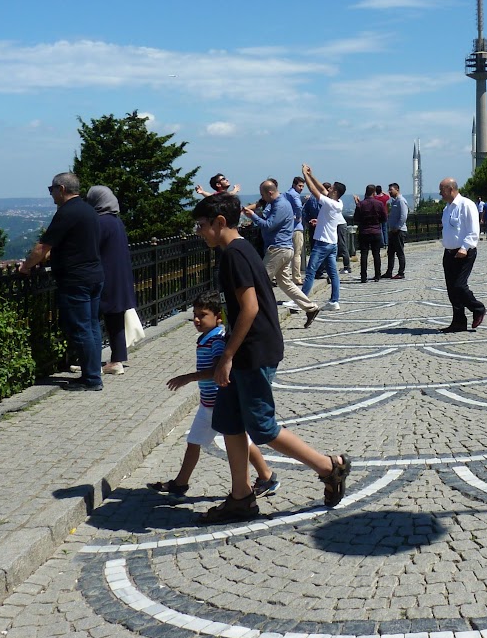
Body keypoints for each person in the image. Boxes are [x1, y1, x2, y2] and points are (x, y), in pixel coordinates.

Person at [190, 194, 350, 523]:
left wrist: (227, 357)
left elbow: (249, 308)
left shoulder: (235, 255)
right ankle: (241, 497)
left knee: (262, 428)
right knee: (230, 423)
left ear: (221, 223)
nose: (198, 231)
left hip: (252, 352)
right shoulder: (238, 250)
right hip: (247, 350)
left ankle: (329, 467)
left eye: (202, 225)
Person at [148, 293, 277, 497]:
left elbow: (218, 369)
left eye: (203, 315)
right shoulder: (207, 338)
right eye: (195, 315)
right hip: (207, 403)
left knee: (243, 442)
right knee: (194, 441)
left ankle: (266, 476)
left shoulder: (216, 339)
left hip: (220, 402)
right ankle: (180, 483)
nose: (197, 320)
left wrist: (189, 377)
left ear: (218, 317)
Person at [20, 172, 105, 391]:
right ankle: (93, 373)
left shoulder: (67, 212)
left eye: (52, 190)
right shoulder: (88, 210)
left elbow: (42, 247)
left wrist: (26, 266)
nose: (51, 195)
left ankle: (92, 379)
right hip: (94, 274)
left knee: (82, 328)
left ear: (62, 189)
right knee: (92, 326)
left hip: (76, 279)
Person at [245, 179, 320, 327]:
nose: (262, 198)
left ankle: (259, 316)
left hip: (278, 249)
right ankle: (310, 308)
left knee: (259, 281)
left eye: (262, 194)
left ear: (270, 192)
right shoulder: (279, 203)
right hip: (284, 248)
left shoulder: (280, 205)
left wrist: (252, 216)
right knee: (285, 282)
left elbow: (268, 226)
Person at [85, 186, 137, 376]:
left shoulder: (101, 222)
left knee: (92, 319)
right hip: (120, 276)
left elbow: (90, 247)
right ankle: (117, 360)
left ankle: (91, 361)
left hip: (105, 276)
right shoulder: (116, 221)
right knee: (115, 319)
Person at [437, 178, 485, 333]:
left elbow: (473, 230)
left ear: (451, 189)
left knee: (459, 285)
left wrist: (464, 247)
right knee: (451, 289)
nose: (440, 194)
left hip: (464, 252)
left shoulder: (466, 205)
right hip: (449, 252)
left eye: (442, 190)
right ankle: (458, 321)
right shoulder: (447, 208)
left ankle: (478, 308)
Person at [300, 167, 345, 310]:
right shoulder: (338, 203)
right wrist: (311, 175)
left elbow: (314, 190)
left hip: (322, 243)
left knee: (310, 271)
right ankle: (334, 301)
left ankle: (301, 300)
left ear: (335, 192)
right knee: (333, 273)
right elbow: (320, 188)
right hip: (332, 243)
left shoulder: (330, 203)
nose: (328, 188)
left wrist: (305, 176)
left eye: (331, 188)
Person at [352, 184, 387, 282]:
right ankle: (377, 275)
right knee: (376, 254)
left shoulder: (361, 204)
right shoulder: (379, 204)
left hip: (364, 231)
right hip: (376, 230)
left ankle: (363, 276)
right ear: (374, 192)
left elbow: (356, 219)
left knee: (364, 254)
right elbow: (384, 218)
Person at [286, 176, 307, 287]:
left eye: (303, 186)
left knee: (287, 253)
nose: (301, 188)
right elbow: (298, 206)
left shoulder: (286, 194)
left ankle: (285, 275)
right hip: (297, 227)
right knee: (297, 254)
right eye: (300, 186)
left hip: (287, 227)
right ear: (294, 185)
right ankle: (297, 277)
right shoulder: (295, 195)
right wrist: (299, 216)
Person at [384, 182, 408, 278]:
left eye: (391, 190)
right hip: (393, 230)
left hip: (399, 231)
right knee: (390, 252)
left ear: (397, 189)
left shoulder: (401, 201)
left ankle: (401, 272)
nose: (389, 192)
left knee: (399, 252)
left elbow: (403, 216)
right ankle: (389, 271)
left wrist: (397, 227)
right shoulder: (394, 201)